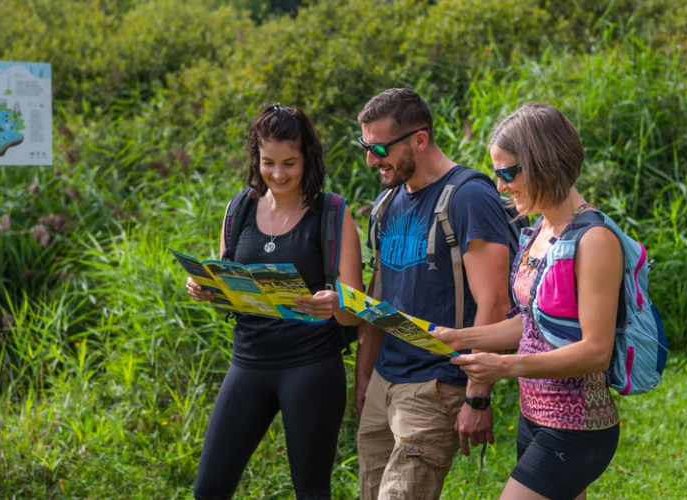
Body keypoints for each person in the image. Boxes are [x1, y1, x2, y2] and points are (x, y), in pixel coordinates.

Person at [431, 102, 623, 500]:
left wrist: (503, 365)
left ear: (544, 163)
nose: (500, 186)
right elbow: (531, 321)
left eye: (506, 172)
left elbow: (596, 351)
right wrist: (461, 335)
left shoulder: (594, 240)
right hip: (533, 416)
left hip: (578, 427)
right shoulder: (537, 230)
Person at [187, 103, 363, 500]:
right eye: (269, 163)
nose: (278, 174)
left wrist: (334, 304)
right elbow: (231, 293)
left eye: (290, 163)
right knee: (209, 489)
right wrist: (208, 290)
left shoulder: (332, 213)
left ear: (307, 159)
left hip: (311, 367)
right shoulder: (240, 207)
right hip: (247, 363)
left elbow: (355, 315)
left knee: (311, 492)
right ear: (256, 157)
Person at [355, 88, 512, 499]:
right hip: (383, 382)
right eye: (365, 146)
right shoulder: (386, 203)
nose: (371, 160)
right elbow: (380, 298)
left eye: (380, 148)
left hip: (435, 387)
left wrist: (477, 398)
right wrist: (363, 379)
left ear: (419, 140)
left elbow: (494, 303)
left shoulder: (469, 196)